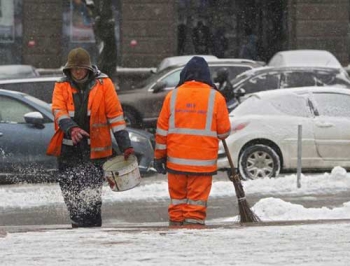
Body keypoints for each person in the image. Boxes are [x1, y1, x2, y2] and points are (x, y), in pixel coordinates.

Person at [47, 47, 134, 228]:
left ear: (88, 69)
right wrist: (71, 129)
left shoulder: (104, 84)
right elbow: (58, 110)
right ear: (68, 69)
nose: (77, 72)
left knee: (92, 194)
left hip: (95, 151)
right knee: (71, 192)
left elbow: (116, 116)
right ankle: (78, 225)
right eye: (74, 68)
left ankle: (92, 228)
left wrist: (125, 145)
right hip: (68, 150)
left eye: (81, 68)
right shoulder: (61, 85)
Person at [153, 56, 231, 226]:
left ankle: (175, 234)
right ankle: (193, 238)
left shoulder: (172, 96)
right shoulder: (216, 98)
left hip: (175, 163)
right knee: (195, 208)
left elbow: (161, 132)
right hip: (202, 164)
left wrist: (159, 156)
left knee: (177, 205)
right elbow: (224, 133)